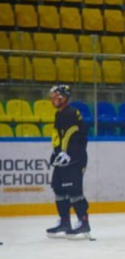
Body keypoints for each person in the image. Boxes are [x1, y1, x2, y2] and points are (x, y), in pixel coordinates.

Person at [46, 84, 92, 240]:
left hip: (74, 158)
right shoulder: (60, 114)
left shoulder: (71, 113)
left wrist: (68, 154)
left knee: (74, 190)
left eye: (55, 96)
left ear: (63, 97)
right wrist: (57, 153)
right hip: (63, 157)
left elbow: (76, 136)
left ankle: (83, 222)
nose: (51, 99)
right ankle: (65, 221)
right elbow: (60, 137)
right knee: (58, 188)